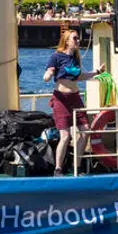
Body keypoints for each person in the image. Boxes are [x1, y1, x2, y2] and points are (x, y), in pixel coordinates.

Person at [43, 28, 106, 175]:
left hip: (75, 98)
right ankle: (58, 169)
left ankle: (76, 166)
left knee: (85, 131)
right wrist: (47, 75)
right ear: (67, 41)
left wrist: (97, 72)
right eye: (75, 38)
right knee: (65, 136)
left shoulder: (76, 58)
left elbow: (80, 77)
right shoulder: (56, 57)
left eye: (78, 38)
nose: (78, 41)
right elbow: (49, 72)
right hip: (61, 99)